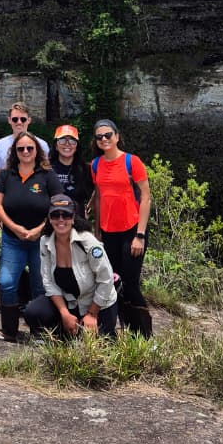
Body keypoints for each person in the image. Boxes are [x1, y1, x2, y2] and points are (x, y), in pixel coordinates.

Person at [0, 133, 60, 341]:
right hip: (13, 239)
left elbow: (58, 205)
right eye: (21, 149)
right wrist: (14, 227)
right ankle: (9, 330)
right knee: (6, 282)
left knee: (39, 284)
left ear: (37, 150)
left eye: (30, 148)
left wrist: (40, 228)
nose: (26, 152)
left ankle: (39, 332)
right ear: (15, 152)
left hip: (41, 240)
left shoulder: (47, 175)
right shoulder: (6, 175)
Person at [23, 194, 119, 338]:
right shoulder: (45, 242)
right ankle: (59, 333)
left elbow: (106, 279)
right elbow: (48, 282)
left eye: (66, 215)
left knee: (96, 342)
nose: (61, 220)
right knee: (33, 312)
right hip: (69, 302)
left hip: (97, 303)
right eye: (55, 215)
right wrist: (64, 313)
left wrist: (92, 314)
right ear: (49, 219)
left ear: (73, 218)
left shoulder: (88, 242)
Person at [89, 118, 152, 336]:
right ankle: (119, 331)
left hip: (131, 230)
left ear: (117, 136)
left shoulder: (131, 161)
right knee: (112, 282)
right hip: (108, 233)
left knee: (131, 284)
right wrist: (97, 231)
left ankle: (144, 334)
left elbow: (146, 198)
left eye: (108, 135)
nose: (104, 139)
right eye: (99, 137)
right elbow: (99, 198)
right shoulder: (96, 164)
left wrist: (140, 235)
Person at [0, 103, 48, 185]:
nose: (19, 122)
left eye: (23, 119)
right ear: (9, 120)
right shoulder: (0, 144)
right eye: (15, 119)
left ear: (29, 120)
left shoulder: (42, 144)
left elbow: (46, 173)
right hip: (8, 191)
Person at [49, 125, 92, 217]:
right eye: (62, 140)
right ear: (56, 145)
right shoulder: (46, 169)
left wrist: (89, 209)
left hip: (77, 220)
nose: (67, 144)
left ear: (77, 146)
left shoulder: (85, 169)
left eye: (72, 141)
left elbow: (97, 191)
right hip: (53, 220)